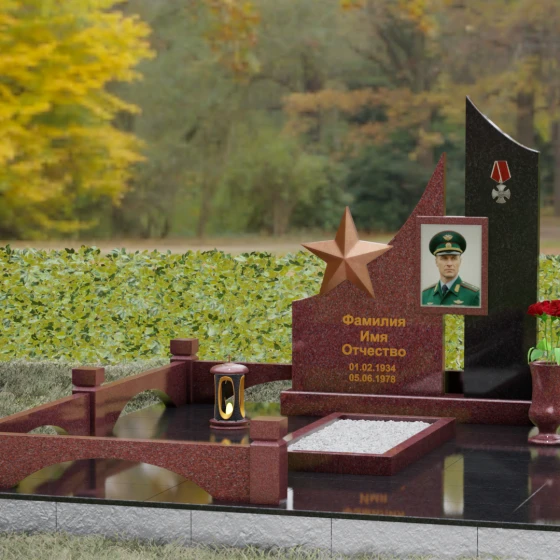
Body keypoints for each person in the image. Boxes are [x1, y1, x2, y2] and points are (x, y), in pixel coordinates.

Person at [421, 230, 480, 307]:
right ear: (436, 261)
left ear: (460, 261)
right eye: (444, 258)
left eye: (454, 258)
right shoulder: (425, 295)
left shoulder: (473, 295)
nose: (449, 264)